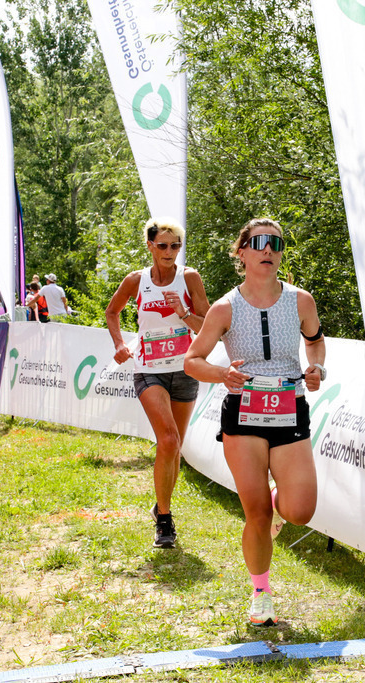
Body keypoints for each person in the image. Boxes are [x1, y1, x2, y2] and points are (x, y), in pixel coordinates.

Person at [183, 217, 326, 627]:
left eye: (276, 244)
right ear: (242, 252)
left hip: (289, 408)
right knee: (257, 513)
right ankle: (261, 593)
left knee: (300, 511)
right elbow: (192, 361)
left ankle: (279, 506)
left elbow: (316, 342)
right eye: (260, 242)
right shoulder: (224, 308)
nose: (268, 250)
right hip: (243, 413)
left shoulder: (301, 301)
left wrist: (317, 369)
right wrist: (222, 374)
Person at [105, 218, 211, 548]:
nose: (169, 251)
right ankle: (164, 519)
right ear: (150, 246)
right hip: (148, 368)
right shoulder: (136, 280)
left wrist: (183, 313)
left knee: (174, 445)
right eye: (162, 245)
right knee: (167, 438)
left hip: (185, 368)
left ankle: (160, 505)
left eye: (175, 245)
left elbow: (207, 326)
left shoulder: (189, 277)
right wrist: (119, 344)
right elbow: (112, 312)